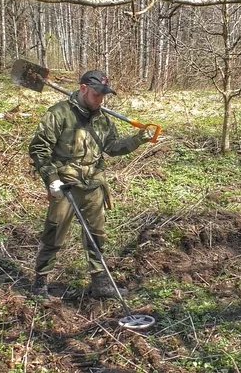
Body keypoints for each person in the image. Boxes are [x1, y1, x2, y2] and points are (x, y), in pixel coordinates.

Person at [28, 70, 153, 302]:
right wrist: (51, 178)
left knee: (96, 236)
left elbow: (113, 147)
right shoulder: (59, 114)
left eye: (104, 95)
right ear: (84, 88)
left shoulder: (102, 118)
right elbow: (38, 149)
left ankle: (100, 283)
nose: (100, 99)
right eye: (97, 94)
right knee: (54, 234)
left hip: (94, 183)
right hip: (65, 185)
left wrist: (138, 139)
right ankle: (40, 283)